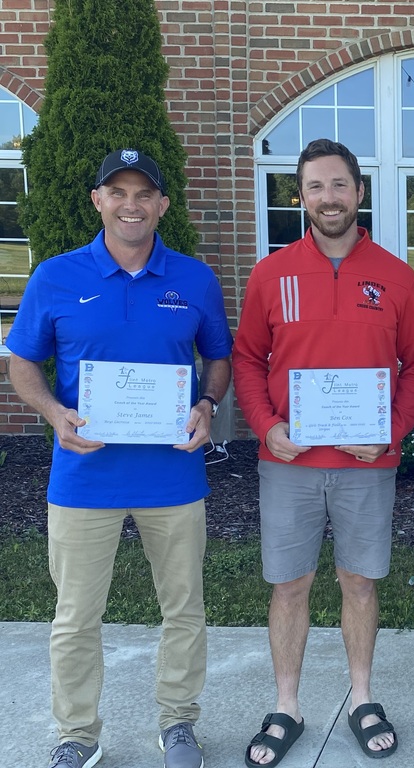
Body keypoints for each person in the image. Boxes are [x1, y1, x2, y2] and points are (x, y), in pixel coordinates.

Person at [7, 149, 233, 768]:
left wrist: (208, 404)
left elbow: (218, 357)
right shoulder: (55, 276)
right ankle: (77, 733)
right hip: (84, 477)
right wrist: (54, 414)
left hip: (173, 473)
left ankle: (179, 723)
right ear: (98, 201)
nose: (131, 204)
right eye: (118, 192)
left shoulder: (194, 279)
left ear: (162, 205)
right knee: (76, 616)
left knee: (183, 608)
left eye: (144, 194)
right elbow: (22, 361)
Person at [233, 138, 414, 764]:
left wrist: (391, 434)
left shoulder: (396, 276)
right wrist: (266, 427)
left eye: (339, 185)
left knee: (360, 584)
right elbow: (247, 359)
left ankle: (362, 698)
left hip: (366, 466)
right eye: (315, 186)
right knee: (289, 587)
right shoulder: (272, 273)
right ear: (301, 197)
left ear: (359, 192)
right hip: (289, 463)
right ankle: (286, 706)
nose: (328, 197)